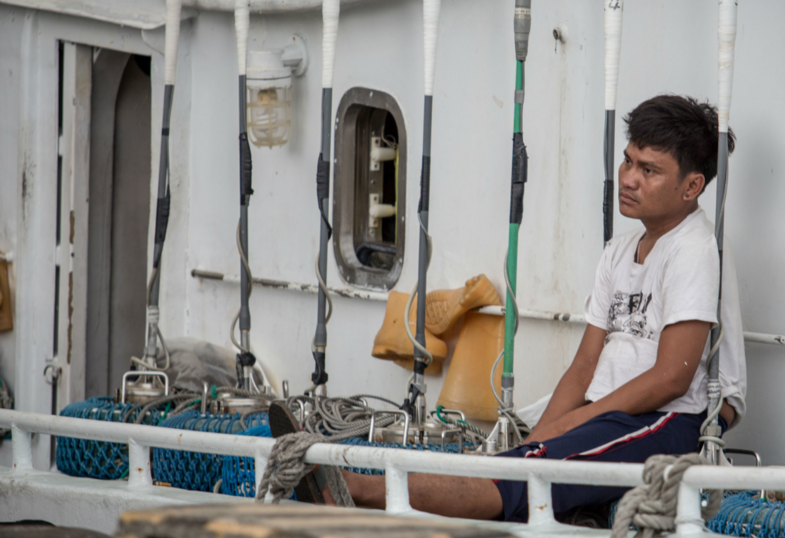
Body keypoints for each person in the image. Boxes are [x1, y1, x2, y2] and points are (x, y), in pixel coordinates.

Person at [313, 94, 746, 521]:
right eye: (628, 161)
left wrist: (571, 426)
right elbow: (584, 366)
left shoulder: (694, 248)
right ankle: (349, 486)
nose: (629, 178)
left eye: (648, 170)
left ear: (692, 187)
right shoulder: (621, 248)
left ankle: (353, 489)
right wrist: (542, 435)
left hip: (670, 421)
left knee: (525, 475)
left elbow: (673, 376)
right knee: (519, 462)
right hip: (611, 413)